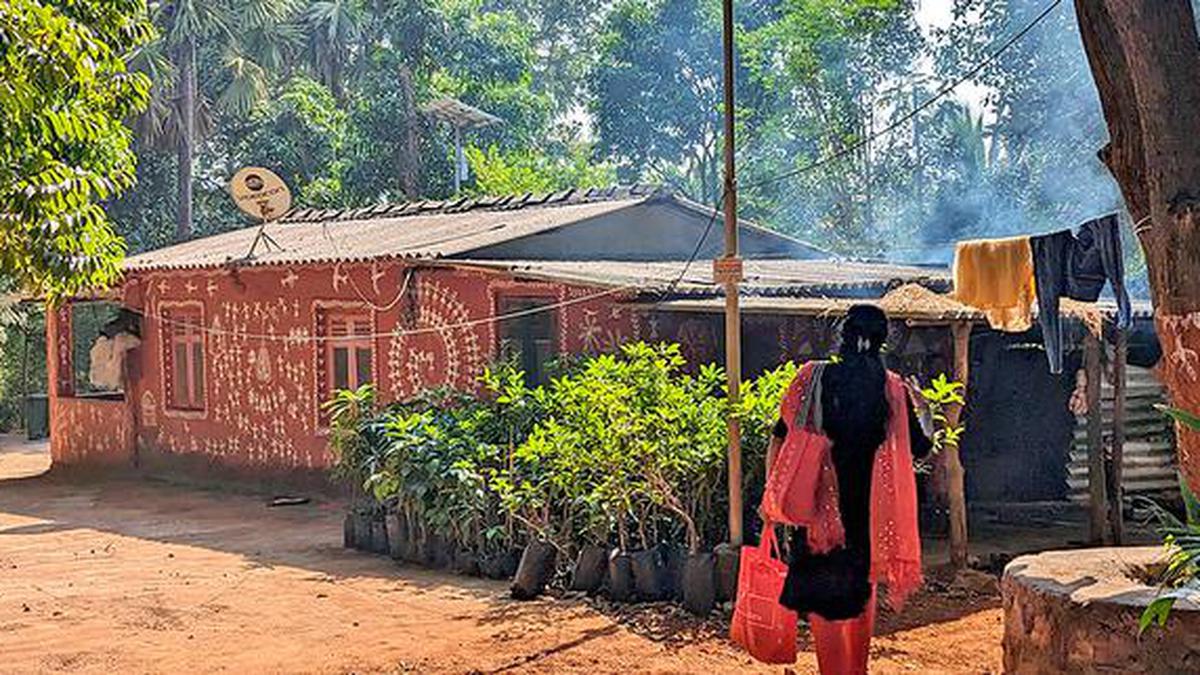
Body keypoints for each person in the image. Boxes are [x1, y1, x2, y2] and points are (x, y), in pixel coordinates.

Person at [764, 304, 933, 675]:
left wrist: (772, 495)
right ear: (882, 341)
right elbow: (921, 447)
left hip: (821, 511)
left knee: (827, 609)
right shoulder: (892, 388)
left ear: (842, 335)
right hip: (870, 519)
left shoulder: (812, 378)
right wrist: (924, 410)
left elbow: (781, 435)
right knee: (860, 603)